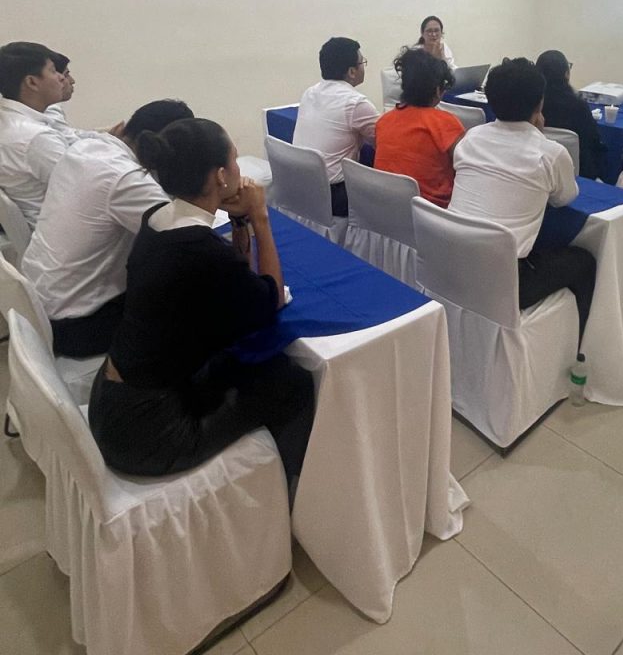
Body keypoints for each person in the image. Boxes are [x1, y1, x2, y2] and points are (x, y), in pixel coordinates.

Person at [88, 117, 314, 489]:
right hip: (150, 433)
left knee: (250, 360)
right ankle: (292, 491)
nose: (240, 170)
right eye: (235, 160)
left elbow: (235, 283)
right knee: (293, 384)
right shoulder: (201, 251)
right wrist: (259, 219)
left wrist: (239, 222)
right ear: (220, 176)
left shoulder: (157, 219)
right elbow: (270, 298)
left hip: (113, 399)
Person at [22, 99, 194, 358]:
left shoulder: (86, 148)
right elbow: (186, 238)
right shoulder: (127, 179)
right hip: (78, 326)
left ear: (125, 127)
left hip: (39, 305)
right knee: (194, 297)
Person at [449, 59, 595, 340]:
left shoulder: (470, 138)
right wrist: (538, 137)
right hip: (503, 284)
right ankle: (579, 348)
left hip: (450, 263)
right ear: (540, 103)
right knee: (584, 261)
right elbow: (565, 198)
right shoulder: (549, 152)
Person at [293, 37, 379, 216]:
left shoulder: (309, 92)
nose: (364, 67)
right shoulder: (355, 103)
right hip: (334, 195)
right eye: (362, 62)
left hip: (300, 187)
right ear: (352, 72)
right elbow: (383, 141)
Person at [374, 48, 464, 207]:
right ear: (438, 91)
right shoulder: (447, 123)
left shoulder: (383, 122)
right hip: (432, 212)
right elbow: (466, 167)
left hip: (387, 208)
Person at [0, 41, 72, 227]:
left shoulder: (9, 120)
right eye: (53, 71)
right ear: (32, 82)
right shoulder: (36, 138)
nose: (61, 78)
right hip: (59, 230)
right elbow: (82, 187)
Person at [534, 50, 606, 179]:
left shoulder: (532, 104)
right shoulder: (578, 106)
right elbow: (593, 141)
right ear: (566, 74)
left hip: (537, 168)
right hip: (579, 174)